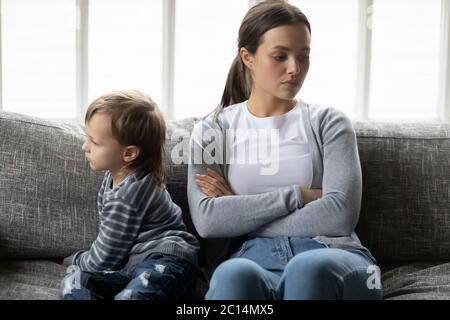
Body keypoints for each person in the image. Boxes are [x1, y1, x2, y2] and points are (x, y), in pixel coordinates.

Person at [188, 0, 383, 300]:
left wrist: (242, 210)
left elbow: (339, 216)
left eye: (303, 56)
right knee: (231, 275)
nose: (295, 69)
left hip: (332, 254)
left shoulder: (330, 123)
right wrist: (300, 196)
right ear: (248, 57)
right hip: (254, 258)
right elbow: (209, 221)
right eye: (280, 56)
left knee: (306, 269)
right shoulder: (211, 131)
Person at [60, 90, 199, 300]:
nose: (84, 147)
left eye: (94, 142)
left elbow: (104, 259)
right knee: (73, 282)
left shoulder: (131, 191)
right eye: (86, 137)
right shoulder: (114, 178)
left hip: (167, 262)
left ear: (129, 154)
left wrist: (75, 259)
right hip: (132, 266)